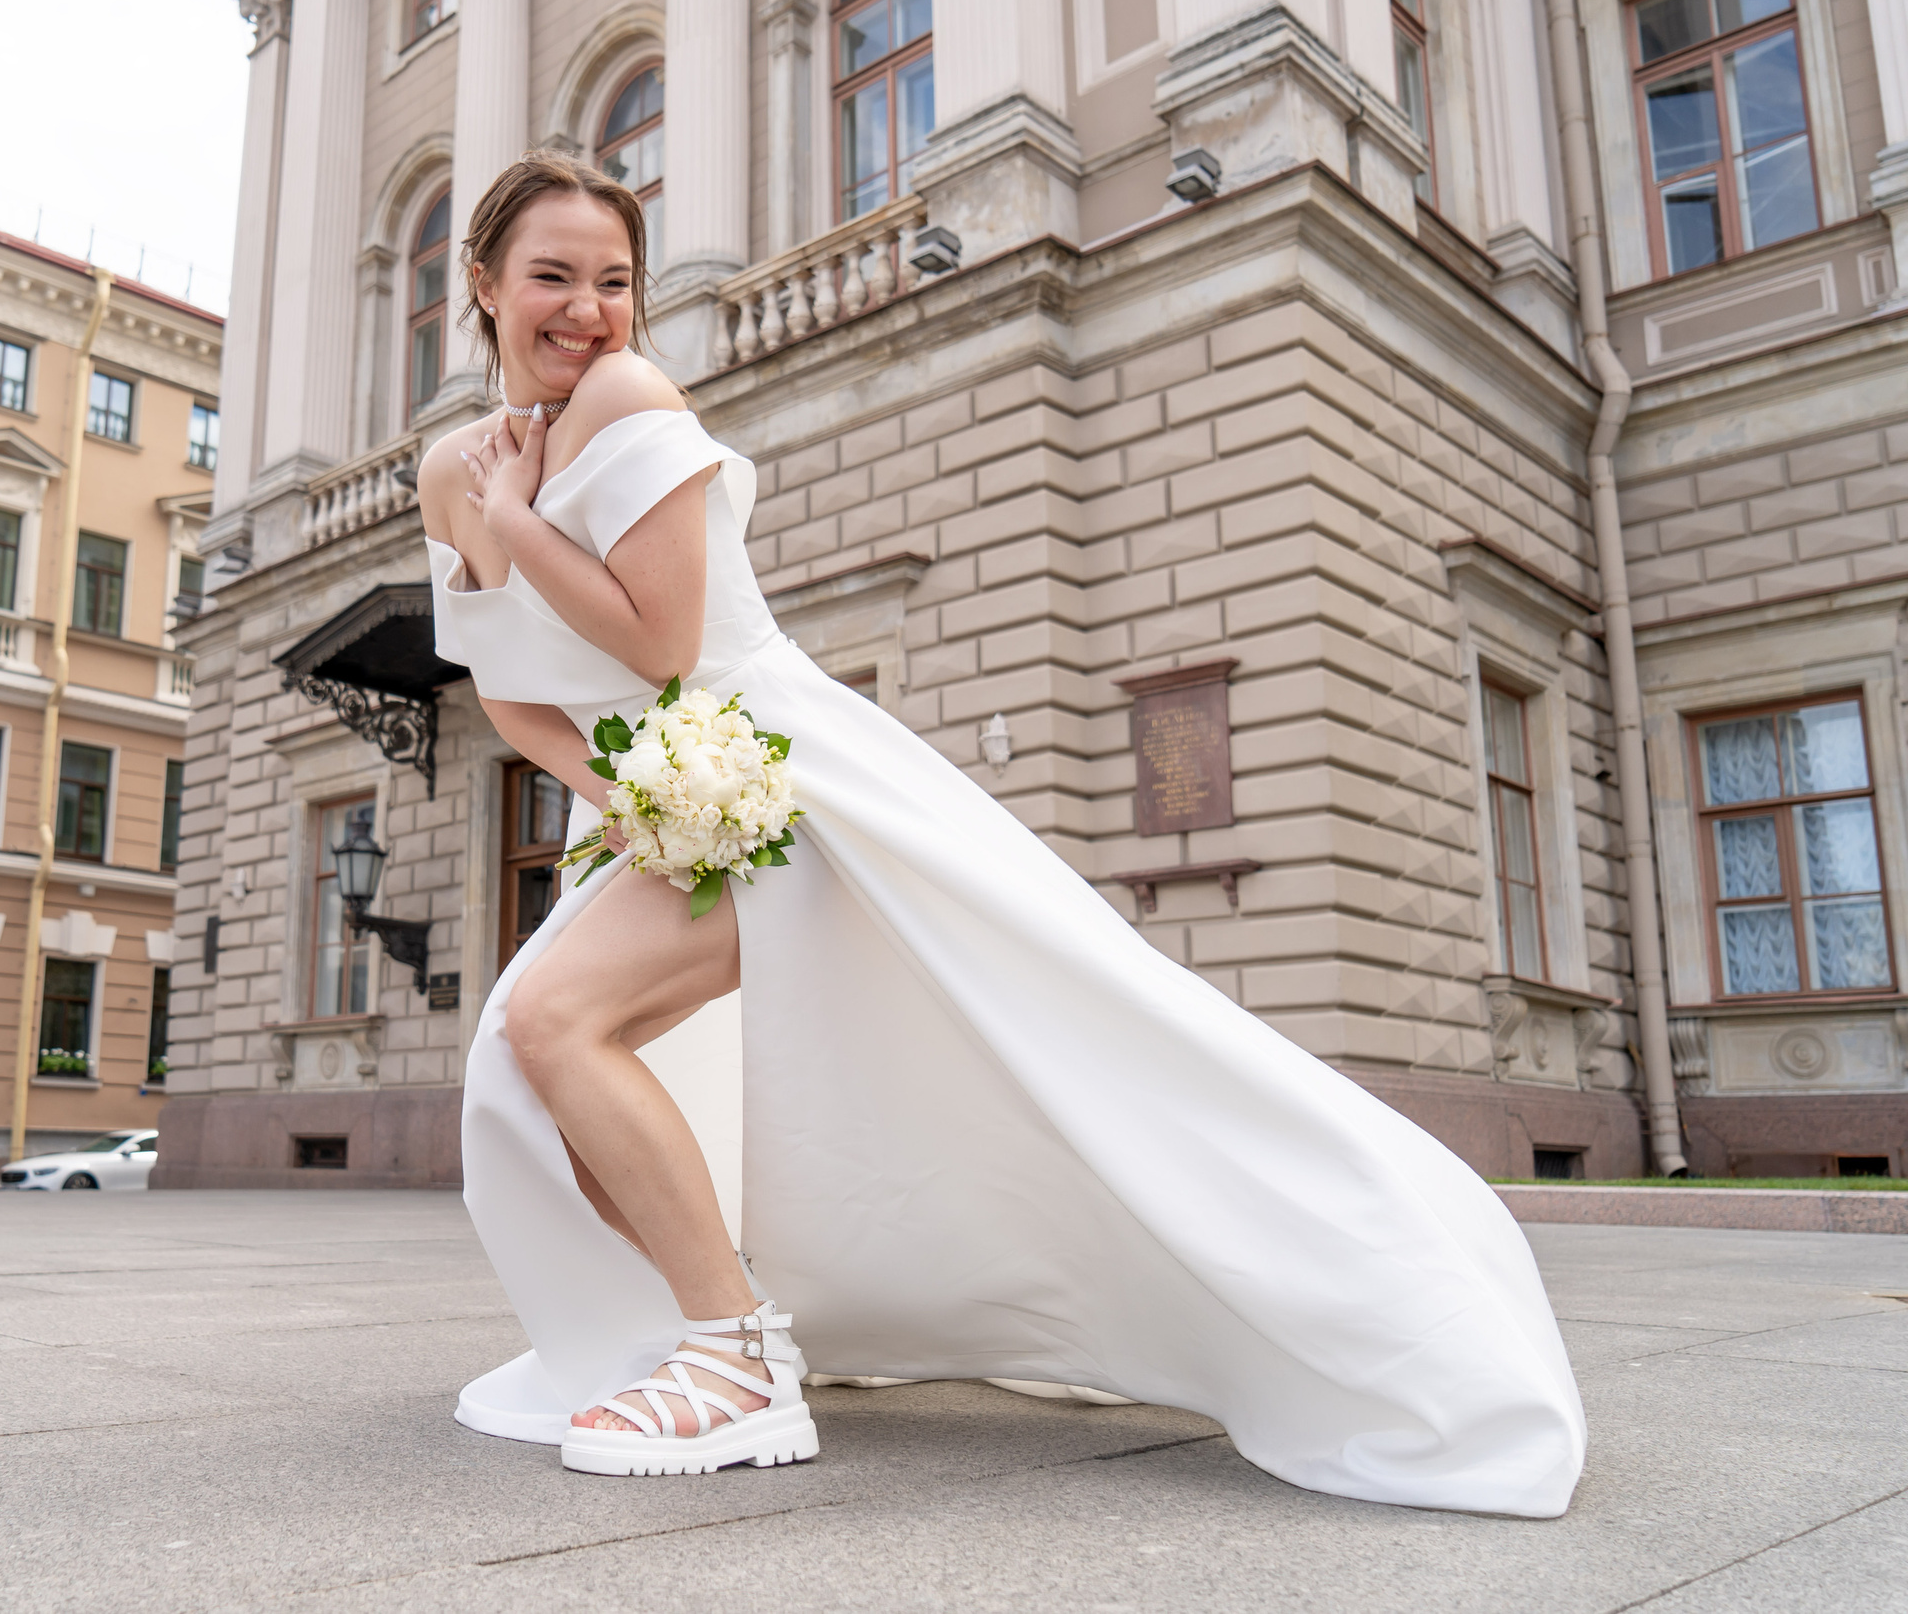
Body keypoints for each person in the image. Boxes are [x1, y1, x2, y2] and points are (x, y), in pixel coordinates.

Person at [419, 150, 1585, 1514]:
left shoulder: (624, 398)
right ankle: (694, 1329)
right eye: (552, 277)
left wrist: (518, 516)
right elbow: (513, 685)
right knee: (529, 1056)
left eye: (614, 280)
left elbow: (660, 641)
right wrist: (617, 798)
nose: (588, 310)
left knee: (557, 1022)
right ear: (483, 284)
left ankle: (736, 1359)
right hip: (661, 791)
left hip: (776, 775)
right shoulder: (454, 469)